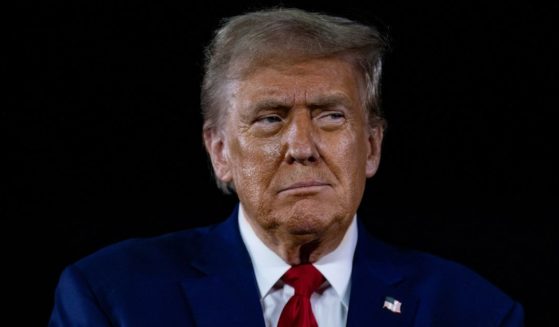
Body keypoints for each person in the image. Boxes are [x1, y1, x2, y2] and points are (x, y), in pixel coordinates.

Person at [49, 7, 524, 326]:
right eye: (271, 118)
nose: (302, 146)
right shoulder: (112, 300)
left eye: (331, 116)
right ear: (220, 152)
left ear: (373, 146)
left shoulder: (474, 311)